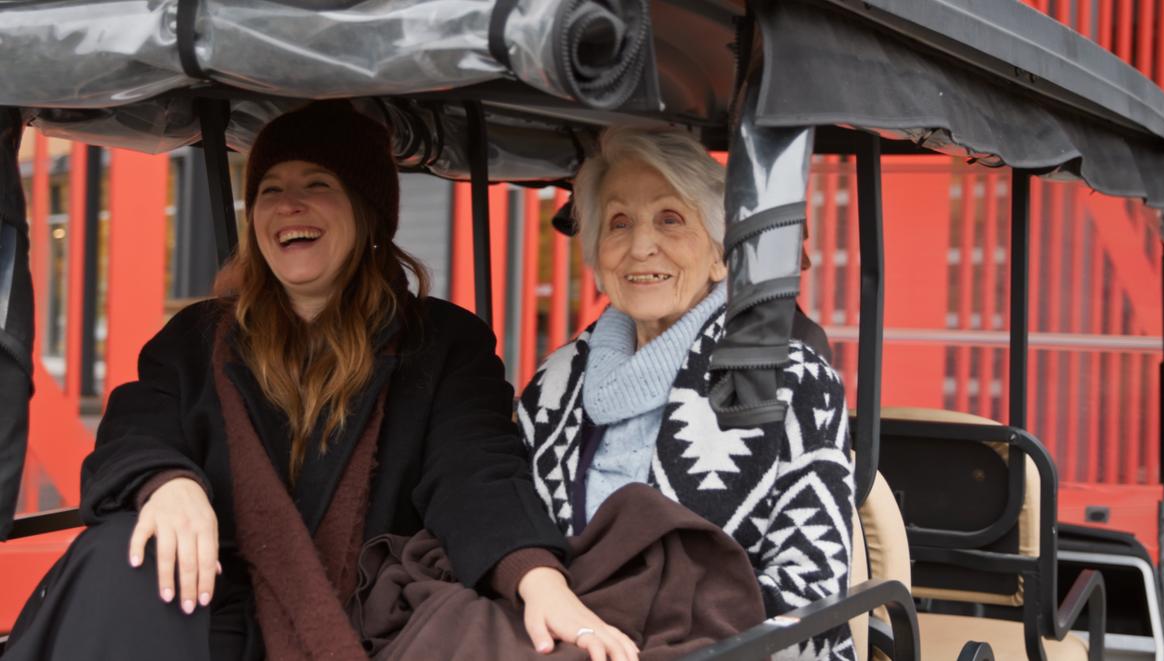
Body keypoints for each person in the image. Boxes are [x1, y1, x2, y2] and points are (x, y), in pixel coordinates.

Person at [4, 101, 637, 661]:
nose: (288, 205)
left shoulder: (441, 341)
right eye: (271, 189)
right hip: (210, 610)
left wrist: (538, 579)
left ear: (367, 213)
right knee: (122, 548)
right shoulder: (197, 336)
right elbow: (135, 427)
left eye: (318, 183)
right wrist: (167, 483)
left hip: (360, 613)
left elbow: (476, 471)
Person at [516, 128, 856, 660]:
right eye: (618, 222)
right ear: (599, 257)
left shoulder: (791, 378)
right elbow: (515, 528)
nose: (640, 246)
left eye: (670, 219)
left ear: (722, 255)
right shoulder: (553, 385)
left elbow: (810, 583)